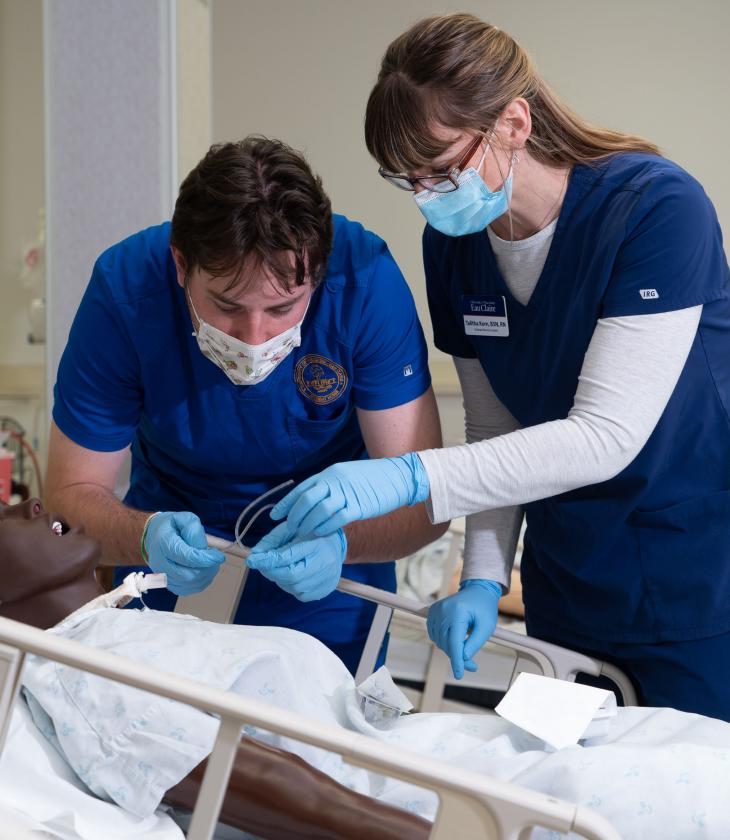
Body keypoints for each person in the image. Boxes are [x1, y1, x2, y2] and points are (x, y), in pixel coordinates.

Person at [249, 14, 730, 721]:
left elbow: (605, 435)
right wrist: (479, 577)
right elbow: (494, 422)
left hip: (693, 584)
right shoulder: (456, 247)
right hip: (565, 591)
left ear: (513, 122)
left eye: (441, 168)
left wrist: (407, 475)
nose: (426, 195)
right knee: (556, 805)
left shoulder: (658, 212)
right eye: (405, 178)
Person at [5, 498, 730, 840]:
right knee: (698, 788)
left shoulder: (120, 631)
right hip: (424, 800)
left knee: (692, 742)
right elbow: (222, 771)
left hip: (422, 752)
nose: (30, 500)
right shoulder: (75, 670)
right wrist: (444, 837)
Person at [44, 136, 446, 675]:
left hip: (330, 572)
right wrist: (144, 536)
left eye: (283, 308)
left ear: (320, 274)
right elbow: (70, 494)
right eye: (227, 306)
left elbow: (422, 502)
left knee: (314, 746)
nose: (254, 338)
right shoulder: (125, 291)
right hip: (169, 568)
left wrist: (339, 542)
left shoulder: (365, 282)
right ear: (181, 264)